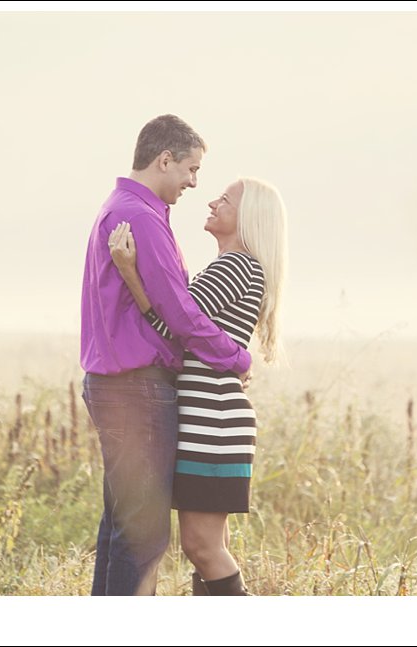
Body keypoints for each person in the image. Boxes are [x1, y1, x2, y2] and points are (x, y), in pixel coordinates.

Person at [80, 114, 252, 596]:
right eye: (191, 169)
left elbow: (169, 308)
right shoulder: (140, 215)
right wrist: (239, 360)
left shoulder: (128, 208)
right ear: (164, 159)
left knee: (123, 529)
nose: (195, 182)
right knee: (143, 536)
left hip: (119, 383)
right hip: (137, 387)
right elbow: (183, 317)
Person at [108, 176, 288, 595]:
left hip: (214, 421)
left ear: (248, 218)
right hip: (215, 419)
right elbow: (183, 325)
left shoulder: (237, 266)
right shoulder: (236, 267)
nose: (212, 201)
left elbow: (175, 324)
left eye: (225, 199)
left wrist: (129, 272)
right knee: (210, 544)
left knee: (202, 545)